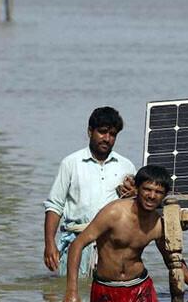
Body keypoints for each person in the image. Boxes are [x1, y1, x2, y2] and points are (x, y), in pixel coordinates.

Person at [61, 165, 188, 302]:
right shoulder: (113, 213)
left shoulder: (158, 225)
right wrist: (71, 291)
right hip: (106, 288)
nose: (151, 196)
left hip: (140, 288)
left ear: (164, 195)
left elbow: (173, 260)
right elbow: (77, 244)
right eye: (147, 189)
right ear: (136, 189)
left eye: (158, 192)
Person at [44, 106, 136, 278]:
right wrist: (49, 244)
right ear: (90, 132)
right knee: (72, 292)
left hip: (113, 246)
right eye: (102, 132)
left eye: (113, 134)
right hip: (77, 241)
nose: (107, 139)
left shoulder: (126, 166)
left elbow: (136, 208)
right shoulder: (71, 163)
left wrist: (133, 195)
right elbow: (54, 206)